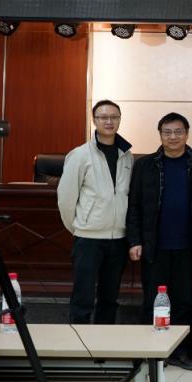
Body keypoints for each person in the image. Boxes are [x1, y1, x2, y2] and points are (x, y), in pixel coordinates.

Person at [126, 112, 192, 370]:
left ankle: (181, 352)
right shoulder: (145, 165)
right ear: (160, 135)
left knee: (184, 302)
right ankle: (151, 352)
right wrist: (135, 240)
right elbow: (134, 205)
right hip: (154, 246)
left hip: (188, 246)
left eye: (178, 131)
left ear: (187, 134)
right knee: (152, 300)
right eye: (167, 132)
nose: (173, 137)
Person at [57, 99, 133, 324]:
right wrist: (79, 227)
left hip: (118, 238)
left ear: (120, 119)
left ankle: (104, 342)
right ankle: (79, 341)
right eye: (103, 117)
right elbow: (66, 198)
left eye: (114, 117)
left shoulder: (126, 154)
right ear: (94, 120)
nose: (109, 121)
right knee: (83, 297)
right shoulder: (80, 154)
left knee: (110, 298)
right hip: (89, 238)